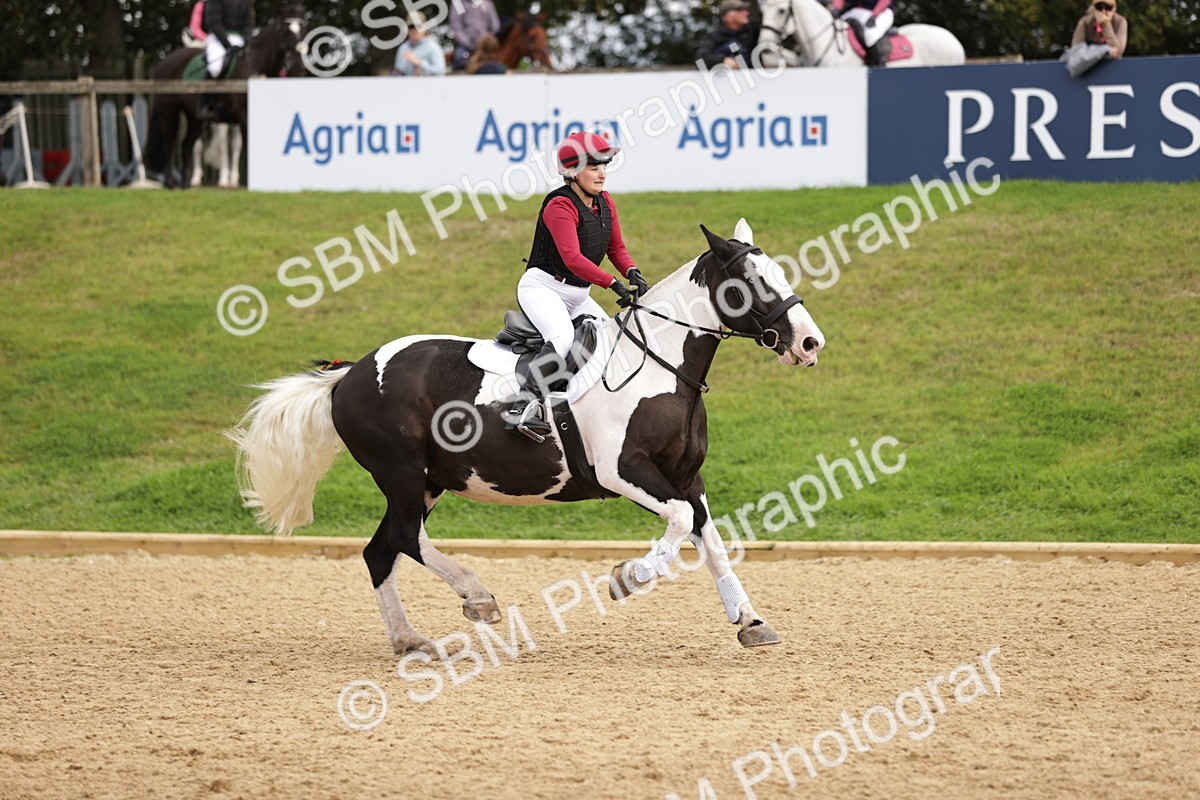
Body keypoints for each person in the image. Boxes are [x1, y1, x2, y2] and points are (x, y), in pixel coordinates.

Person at [509, 131, 650, 439]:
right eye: (593, 166)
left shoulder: (605, 201)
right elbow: (572, 259)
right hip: (543, 288)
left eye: (604, 165)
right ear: (572, 172)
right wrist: (612, 283)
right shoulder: (559, 205)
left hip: (578, 293)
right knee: (561, 339)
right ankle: (522, 406)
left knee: (613, 342)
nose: (602, 173)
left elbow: (615, 248)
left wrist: (632, 271)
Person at [200, 0, 253, 118]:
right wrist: (228, 45)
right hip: (218, 38)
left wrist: (247, 42)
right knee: (215, 68)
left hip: (239, 37)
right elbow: (214, 23)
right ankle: (205, 104)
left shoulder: (246, 2)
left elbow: (249, 24)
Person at [695, 0, 761, 70]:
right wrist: (723, 60)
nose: (746, 13)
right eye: (740, 10)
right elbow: (700, 59)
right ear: (729, 16)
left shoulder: (753, 28)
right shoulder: (714, 36)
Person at [837, 0, 895, 66]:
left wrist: (874, 15)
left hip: (881, 11)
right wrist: (836, 9)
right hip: (857, 11)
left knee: (870, 35)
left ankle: (877, 63)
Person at [450, 0, 501, 71]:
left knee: (499, 63)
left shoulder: (487, 4)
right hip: (466, 46)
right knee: (459, 62)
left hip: (486, 47)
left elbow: (495, 26)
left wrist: (486, 41)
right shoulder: (459, 4)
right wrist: (469, 43)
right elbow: (457, 27)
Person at [393, 12, 447, 76]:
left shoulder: (433, 47)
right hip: (406, 85)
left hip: (428, 85)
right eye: (411, 27)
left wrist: (420, 63)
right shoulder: (402, 48)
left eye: (418, 26)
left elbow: (440, 71)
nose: (414, 30)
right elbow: (396, 74)